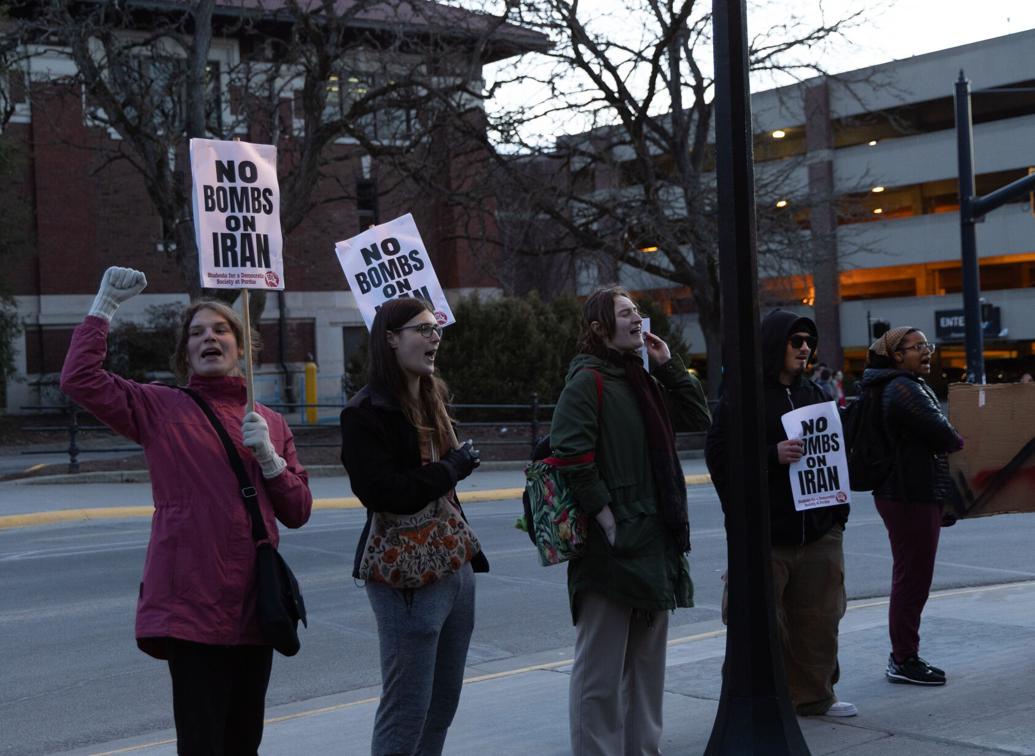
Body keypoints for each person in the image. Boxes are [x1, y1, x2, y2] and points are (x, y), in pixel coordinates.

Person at [60, 266, 313, 754]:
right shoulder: (159, 407)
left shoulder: (270, 422)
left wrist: (271, 459)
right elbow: (80, 379)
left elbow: (298, 510)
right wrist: (103, 310)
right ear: (185, 353)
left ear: (241, 348)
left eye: (220, 330)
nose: (209, 338)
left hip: (255, 609)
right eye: (197, 333)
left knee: (243, 743)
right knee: (201, 745)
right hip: (192, 610)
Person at [549, 286, 710, 755]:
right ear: (600, 328)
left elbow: (697, 416)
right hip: (612, 551)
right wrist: (603, 514)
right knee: (599, 676)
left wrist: (669, 366)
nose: (638, 318)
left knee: (646, 669)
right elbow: (570, 451)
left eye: (637, 310)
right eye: (625, 313)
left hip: (655, 542)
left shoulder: (645, 380)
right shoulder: (587, 381)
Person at [340, 297, 488, 756]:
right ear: (390, 339)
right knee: (406, 710)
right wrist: (452, 467)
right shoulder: (365, 412)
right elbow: (385, 493)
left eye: (436, 329)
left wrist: (453, 464)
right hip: (405, 579)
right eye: (422, 329)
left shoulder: (431, 397)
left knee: (442, 706)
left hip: (454, 566)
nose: (434, 337)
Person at [705, 309, 855, 718]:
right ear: (775, 345)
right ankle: (752, 703)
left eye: (809, 341)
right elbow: (719, 456)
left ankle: (815, 697)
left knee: (819, 621)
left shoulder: (816, 395)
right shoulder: (745, 396)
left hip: (818, 532)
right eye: (796, 341)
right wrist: (771, 455)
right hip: (767, 533)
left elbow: (836, 458)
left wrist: (837, 518)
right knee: (756, 625)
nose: (805, 348)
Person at [859, 327, 963, 686]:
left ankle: (905, 655)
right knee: (912, 578)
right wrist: (957, 436)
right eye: (917, 346)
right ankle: (903, 658)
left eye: (926, 344)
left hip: (909, 492)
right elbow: (946, 435)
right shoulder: (902, 387)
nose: (926, 350)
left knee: (914, 576)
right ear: (897, 355)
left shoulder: (901, 384)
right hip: (908, 495)